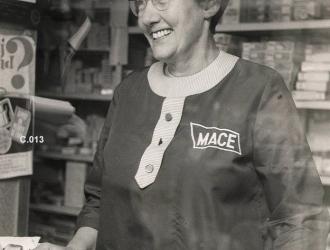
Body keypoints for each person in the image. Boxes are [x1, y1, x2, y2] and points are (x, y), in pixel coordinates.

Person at [35, 0, 330, 249]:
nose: (147, 16)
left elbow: (301, 219)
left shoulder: (259, 90)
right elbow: (99, 199)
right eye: (140, 2)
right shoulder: (128, 92)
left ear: (209, 4)